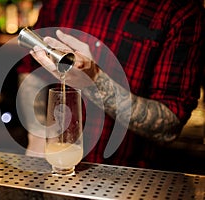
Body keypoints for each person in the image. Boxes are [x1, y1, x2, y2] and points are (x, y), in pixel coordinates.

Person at [16, 0, 205, 169]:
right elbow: (32, 71)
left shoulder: (181, 10)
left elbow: (170, 126)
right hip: (56, 170)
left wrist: (94, 81)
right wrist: (39, 133)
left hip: (129, 179)